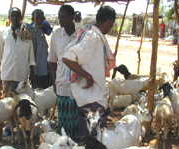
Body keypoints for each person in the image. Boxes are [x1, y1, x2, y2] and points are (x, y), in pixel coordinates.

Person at [62, 5, 116, 137]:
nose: (111, 27)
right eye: (112, 24)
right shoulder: (93, 37)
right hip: (92, 101)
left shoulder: (93, 34)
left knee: (90, 143)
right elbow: (68, 57)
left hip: (91, 99)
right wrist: (88, 76)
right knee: (94, 143)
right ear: (109, 21)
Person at [48, 5, 78, 140]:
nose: (61, 21)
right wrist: (54, 80)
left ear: (72, 17)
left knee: (78, 120)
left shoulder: (81, 34)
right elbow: (52, 61)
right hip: (62, 84)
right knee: (64, 122)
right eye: (60, 18)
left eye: (64, 18)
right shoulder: (56, 35)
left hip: (79, 84)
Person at [0, 7, 36, 97]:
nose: (15, 18)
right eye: (12, 16)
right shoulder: (3, 33)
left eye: (17, 16)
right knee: (8, 103)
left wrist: (32, 74)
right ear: (9, 17)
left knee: (21, 102)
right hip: (7, 74)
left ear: (21, 18)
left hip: (22, 74)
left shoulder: (27, 33)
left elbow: (31, 56)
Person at [30, 9, 50, 89]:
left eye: (41, 18)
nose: (39, 21)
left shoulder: (41, 30)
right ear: (33, 19)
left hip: (45, 69)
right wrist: (33, 74)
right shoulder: (32, 33)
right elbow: (31, 55)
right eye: (37, 19)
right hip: (37, 72)